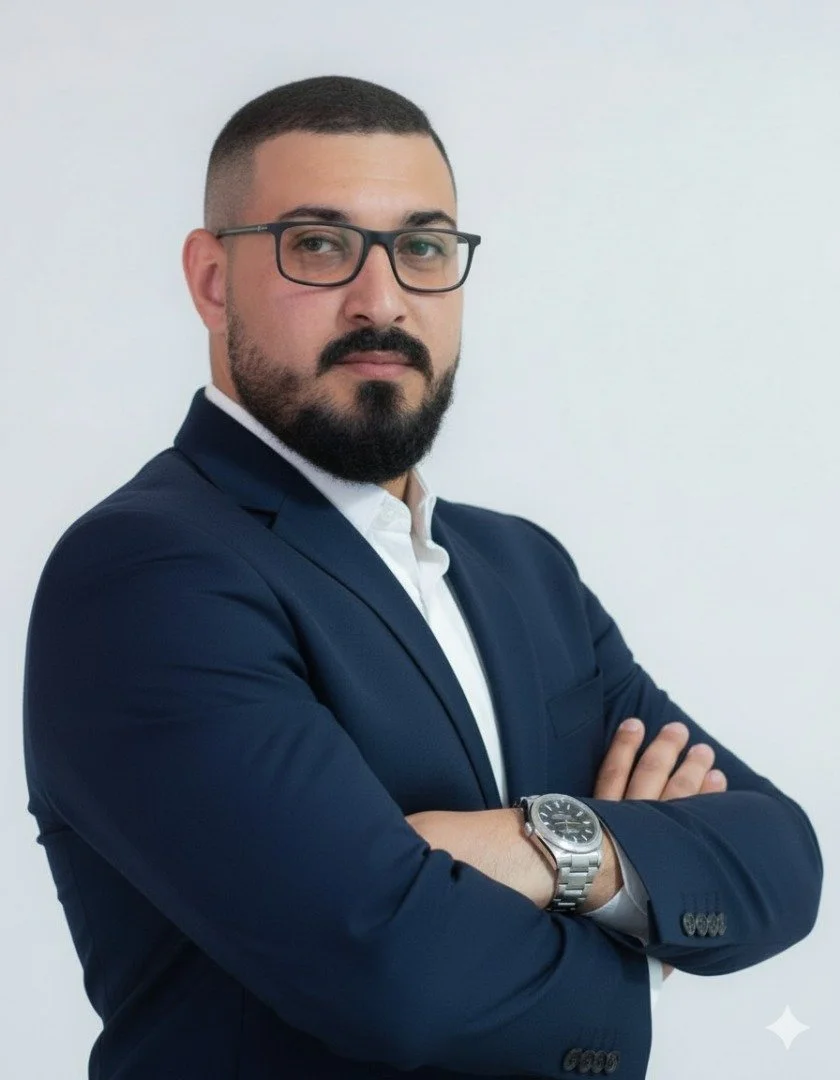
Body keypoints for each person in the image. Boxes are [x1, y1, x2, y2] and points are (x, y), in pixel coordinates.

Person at [23, 75, 821, 1080]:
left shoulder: (522, 569)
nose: (383, 299)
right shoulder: (150, 575)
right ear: (211, 280)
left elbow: (781, 861)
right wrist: (633, 924)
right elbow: (406, 986)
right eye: (318, 245)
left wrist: (544, 843)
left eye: (423, 246)